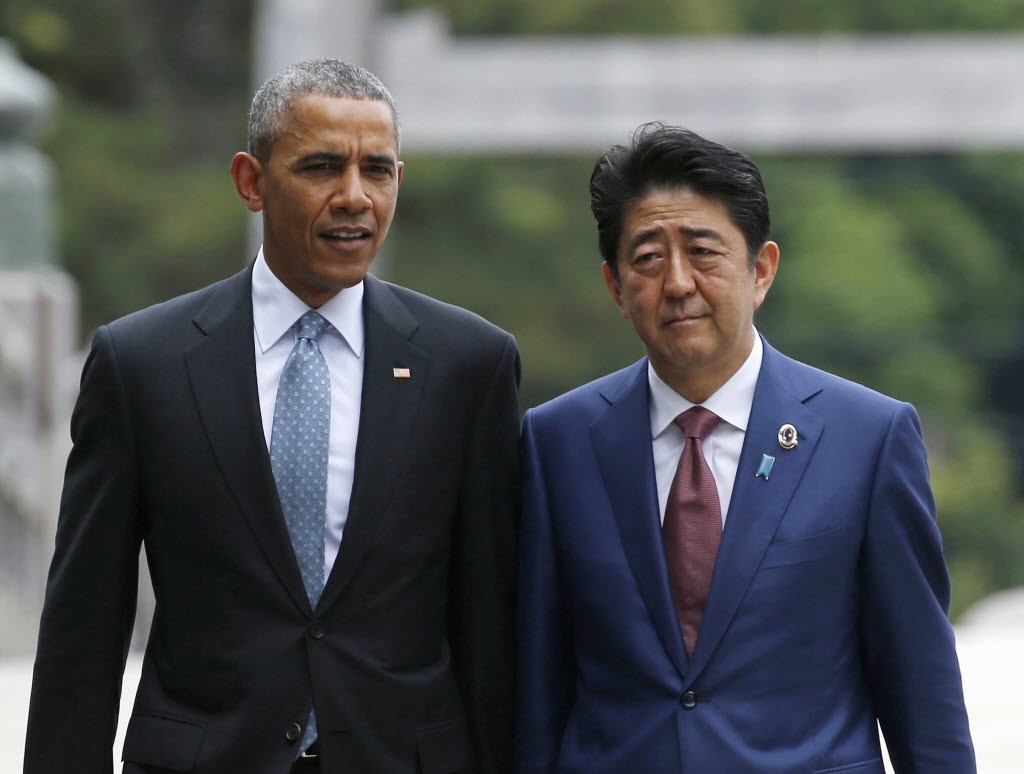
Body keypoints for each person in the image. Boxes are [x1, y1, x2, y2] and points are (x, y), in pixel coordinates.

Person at [26, 58, 519, 774]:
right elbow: (85, 621)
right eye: (322, 167)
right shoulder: (143, 363)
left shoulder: (468, 364)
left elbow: (490, 624)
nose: (354, 197)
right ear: (251, 182)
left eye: (376, 171)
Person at [515, 123, 975, 773]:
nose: (677, 282)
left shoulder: (867, 438)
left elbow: (923, 692)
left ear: (760, 270)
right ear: (616, 288)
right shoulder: (556, 441)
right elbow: (538, 691)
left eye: (702, 252)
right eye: (648, 257)